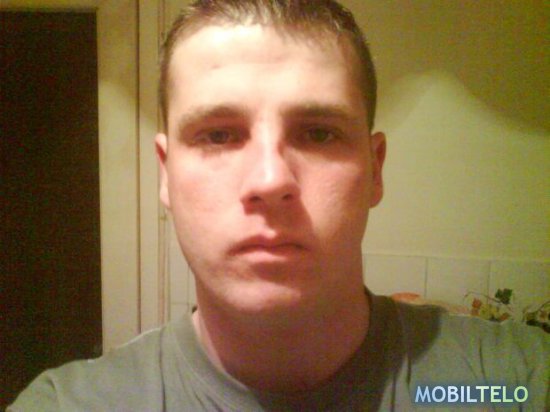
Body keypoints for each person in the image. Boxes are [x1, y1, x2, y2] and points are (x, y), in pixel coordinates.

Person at [9, 1, 549, 411]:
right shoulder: (72, 404)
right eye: (218, 135)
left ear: (375, 169)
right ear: (166, 174)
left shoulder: (508, 382)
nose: (270, 180)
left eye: (318, 133)